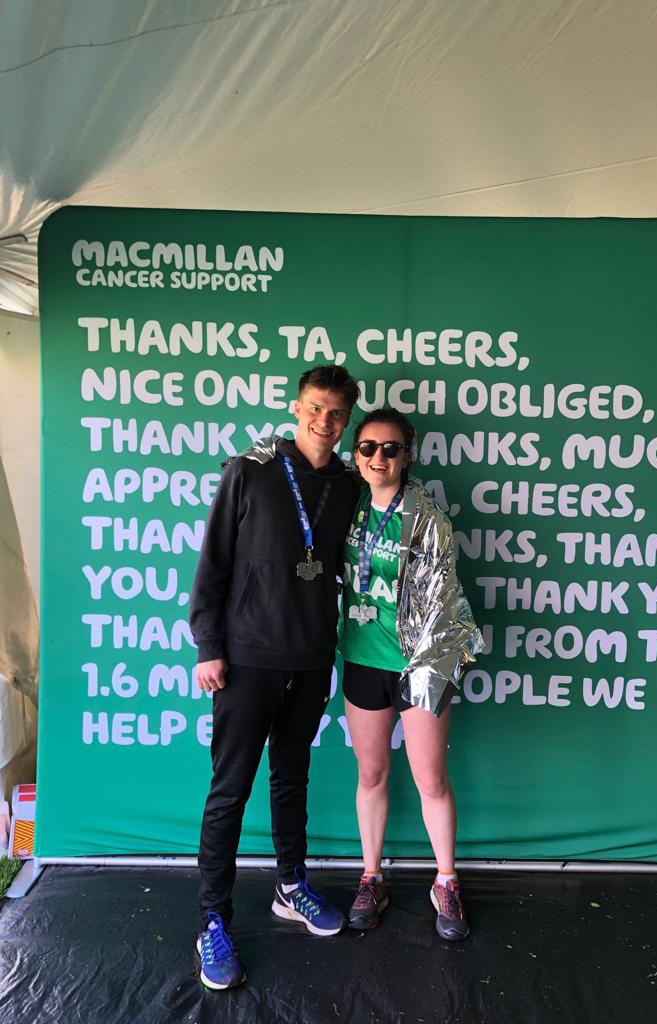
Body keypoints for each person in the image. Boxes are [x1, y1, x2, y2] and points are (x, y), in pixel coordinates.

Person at [189, 364, 360, 990]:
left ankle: (291, 886)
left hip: (311, 658)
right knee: (230, 789)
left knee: (293, 777)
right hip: (245, 658)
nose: (324, 421)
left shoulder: (350, 485)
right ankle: (212, 919)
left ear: (347, 421)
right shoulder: (249, 471)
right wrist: (209, 646)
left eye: (336, 413)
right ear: (296, 408)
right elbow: (213, 563)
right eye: (315, 407)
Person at [339, 408, 483, 940]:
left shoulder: (427, 516)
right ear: (356, 454)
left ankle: (446, 881)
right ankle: (371, 877)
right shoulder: (345, 502)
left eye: (391, 448)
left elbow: (443, 601)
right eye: (368, 447)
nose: (379, 457)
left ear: (407, 455)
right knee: (371, 775)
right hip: (361, 659)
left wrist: (429, 668)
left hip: (419, 665)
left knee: (431, 780)